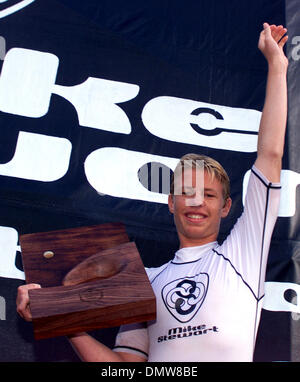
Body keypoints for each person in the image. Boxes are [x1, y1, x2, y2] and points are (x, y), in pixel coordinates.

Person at [16, 22, 288, 362]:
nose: (197, 202)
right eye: (186, 192)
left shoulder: (243, 254)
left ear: (226, 206)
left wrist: (277, 66)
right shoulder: (143, 280)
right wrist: (62, 318)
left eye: (209, 194)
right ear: (171, 202)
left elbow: (271, 155)